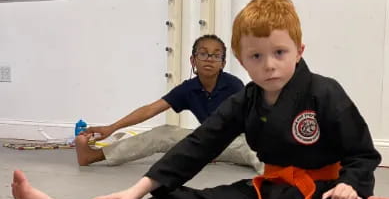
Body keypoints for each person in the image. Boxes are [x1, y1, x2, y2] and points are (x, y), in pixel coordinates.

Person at [11, 0, 389, 199]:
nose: (269, 65)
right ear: (239, 57)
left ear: (299, 50)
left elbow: (362, 152)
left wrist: (349, 186)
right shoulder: (245, 100)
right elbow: (199, 144)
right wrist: (141, 187)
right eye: (256, 57)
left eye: (279, 52)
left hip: (322, 191)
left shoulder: (325, 94)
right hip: (269, 190)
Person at [75, 34, 263, 174]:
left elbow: (253, 118)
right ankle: (94, 156)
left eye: (215, 56)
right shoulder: (188, 89)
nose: (209, 59)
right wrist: (112, 127)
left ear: (222, 63)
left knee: (256, 150)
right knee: (162, 133)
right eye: (203, 54)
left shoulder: (233, 85)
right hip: (205, 142)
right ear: (193, 60)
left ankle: (280, 183)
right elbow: (150, 109)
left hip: (238, 142)